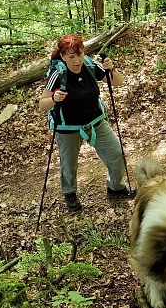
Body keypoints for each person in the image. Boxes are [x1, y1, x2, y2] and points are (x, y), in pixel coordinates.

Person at [38, 35, 134, 212]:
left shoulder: (90, 65)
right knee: (69, 164)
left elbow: (118, 82)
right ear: (62, 56)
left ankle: (116, 188)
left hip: (96, 122)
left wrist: (111, 70)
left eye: (79, 54)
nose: (77, 60)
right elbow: (42, 105)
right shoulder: (57, 73)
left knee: (116, 153)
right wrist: (53, 98)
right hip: (67, 128)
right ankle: (70, 194)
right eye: (71, 57)